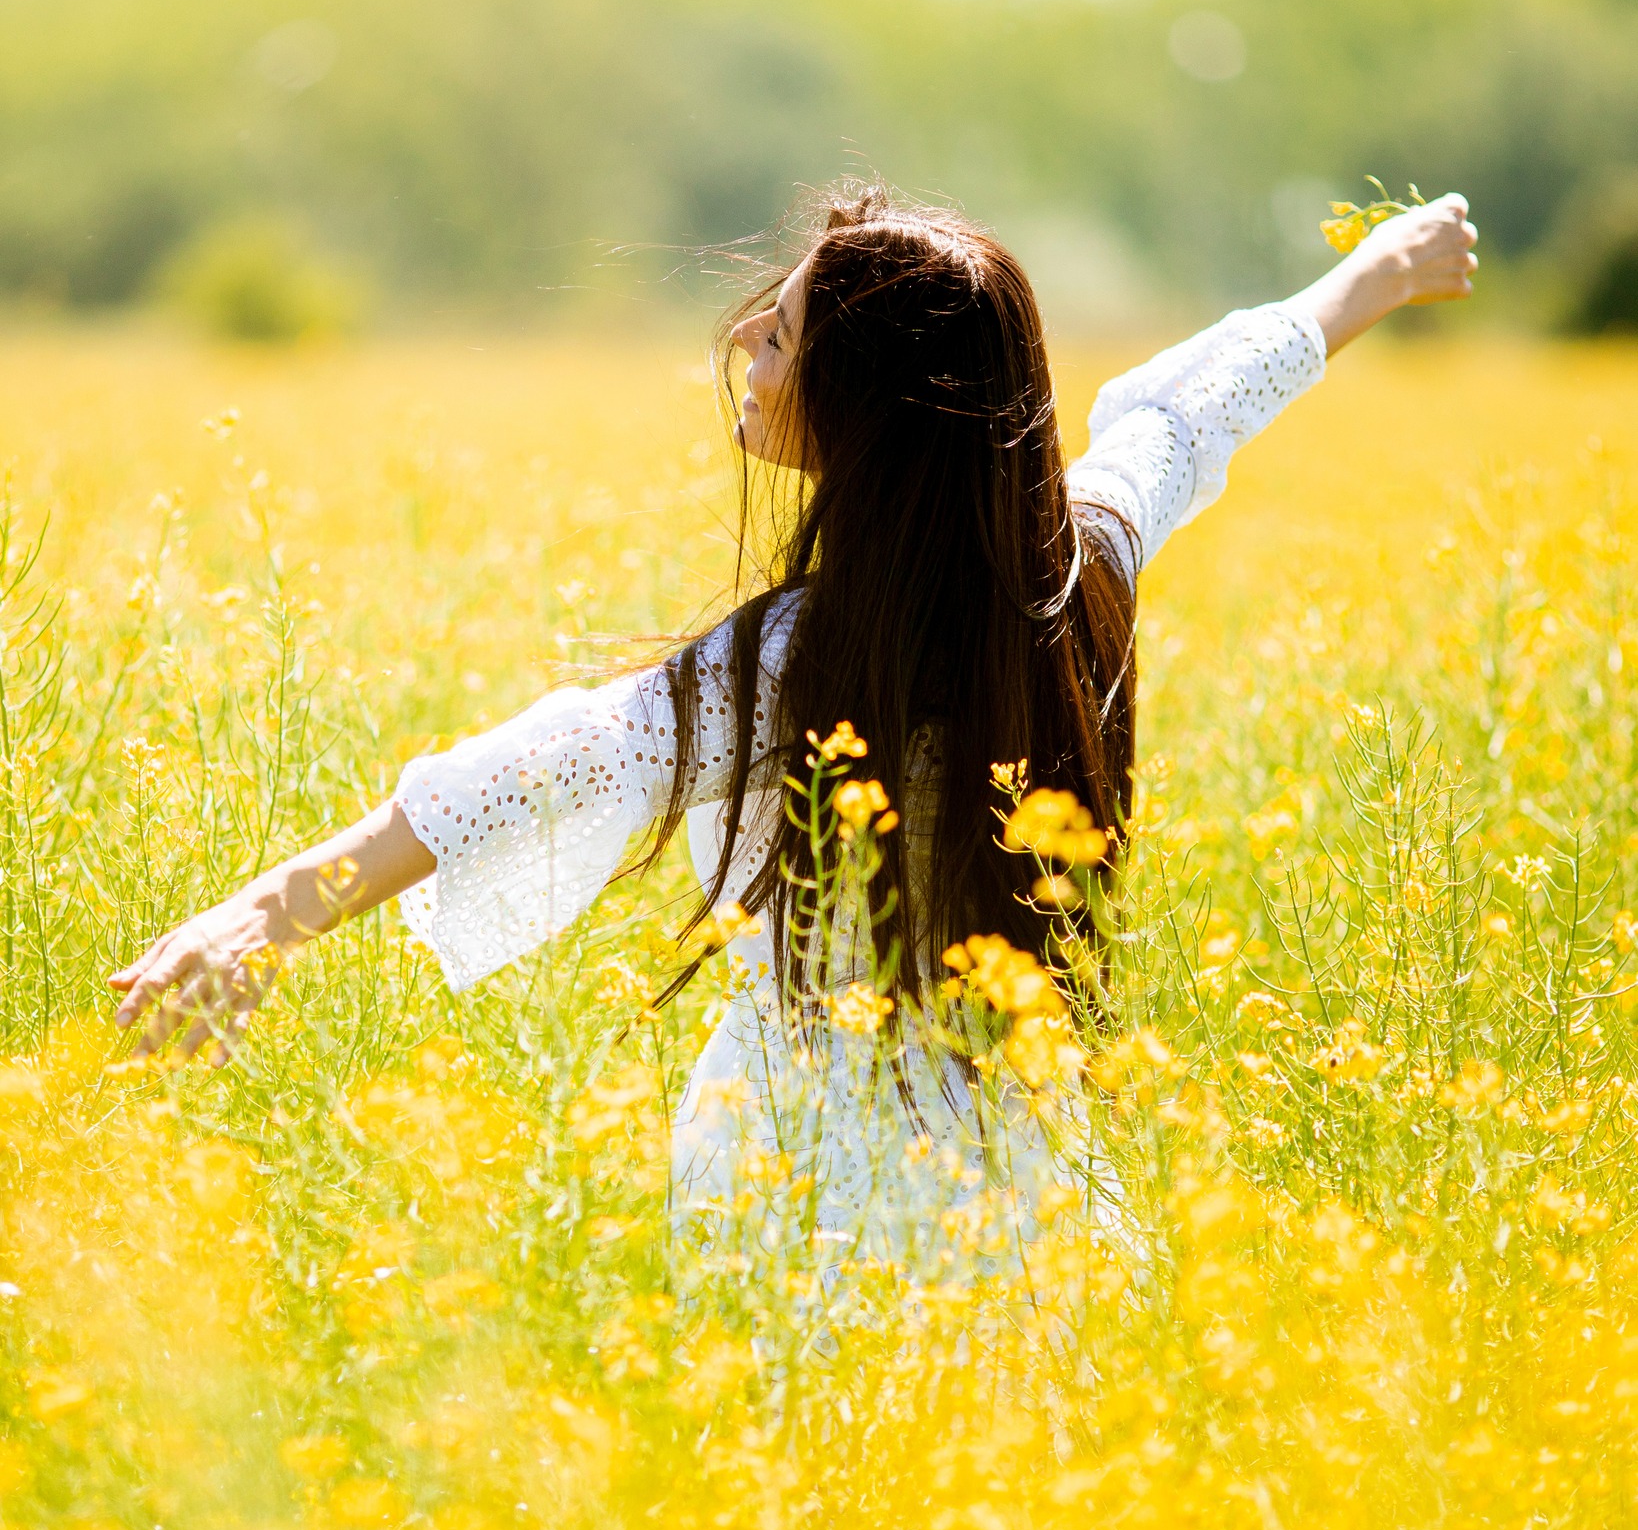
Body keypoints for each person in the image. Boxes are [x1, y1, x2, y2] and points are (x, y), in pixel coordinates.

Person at [109, 186, 1477, 1245]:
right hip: (1024, 1176)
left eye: (785, 332)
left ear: (875, 409)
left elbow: (548, 761)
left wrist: (268, 911)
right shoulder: (1080, 566)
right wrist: (1372, 277)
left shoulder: (791, 665)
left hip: (803, 1186)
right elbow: (1187, 411)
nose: (748, 347)